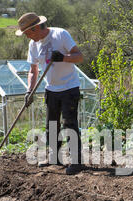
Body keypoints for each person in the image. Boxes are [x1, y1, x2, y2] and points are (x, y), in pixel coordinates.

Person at [15, 12, 84, 175]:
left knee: (70, 124)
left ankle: (76, 161)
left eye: (28, 33)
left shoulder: (60, 34)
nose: (27, 37)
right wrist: (29, 91)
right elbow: (33, 70)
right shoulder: (33, 44)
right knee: (51, 126)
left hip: (69, 87)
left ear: (37, 27)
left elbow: (79, 57)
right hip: (51, 89)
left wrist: (63, 57)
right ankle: (55, 158)